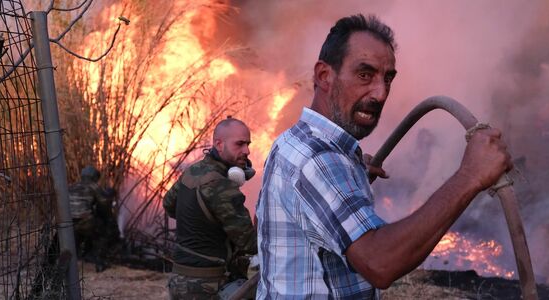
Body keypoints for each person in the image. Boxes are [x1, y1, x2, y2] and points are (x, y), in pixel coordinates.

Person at [256, 14, 512, 298]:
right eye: (364, 75)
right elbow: (381, 263)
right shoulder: (318, 160)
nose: (380, 93)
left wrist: (349, 174)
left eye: (387, 78)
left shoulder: (294, 142)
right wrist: (470, 176)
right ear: (324, 76)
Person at [163, 117, 258, 300]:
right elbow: (250, 244)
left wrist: (203, 223)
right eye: (239, 144)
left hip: (178, 282)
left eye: (247, 144)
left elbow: (169, 205)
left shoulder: (192, 172)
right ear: (219, 144)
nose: (246, 151)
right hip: (209, 286)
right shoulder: (222, 186)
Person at [68, 165, 113, 272]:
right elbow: (104, 204)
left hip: (68, 222)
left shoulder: (72, 186)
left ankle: (76, 260)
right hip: (84, 221)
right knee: (101, 233)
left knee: (75, 240)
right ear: (94, 177)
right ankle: (99, 263)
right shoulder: (94, 186)